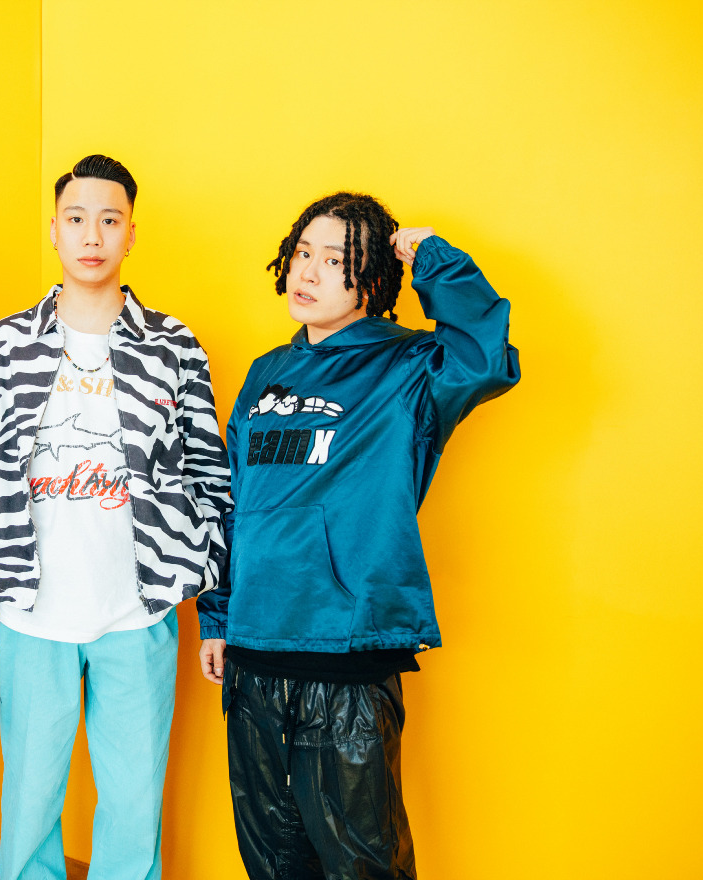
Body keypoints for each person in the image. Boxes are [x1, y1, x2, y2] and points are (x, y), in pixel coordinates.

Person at [197, 192, 520, 879]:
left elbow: (487, 359)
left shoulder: (409, 369)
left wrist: (432, 259)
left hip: (344, 656)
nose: (308, 272)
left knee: (361, 864)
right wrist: (218, 618)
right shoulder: (265, 372)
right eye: (302, 254)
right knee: (271, 857)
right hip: (254, 653)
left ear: (371, 281)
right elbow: (234, 502)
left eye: (336, 261)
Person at [0, 154, 231, 880]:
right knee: (30, 797)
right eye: (76, 219)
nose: (92, 235)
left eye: (109, 220)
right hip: (31, 609)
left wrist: (205, 581)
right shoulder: (6, 344)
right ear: (54, 230)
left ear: (131, 233)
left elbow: (208, 469)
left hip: (138, 609)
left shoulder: (174, 345)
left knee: (133, 801)